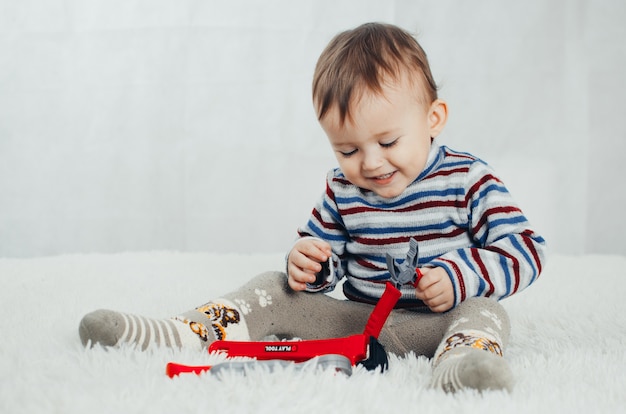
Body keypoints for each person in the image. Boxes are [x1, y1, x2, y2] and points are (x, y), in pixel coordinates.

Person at [79, 22, 546, 393]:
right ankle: (180, 332)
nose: (370, 163)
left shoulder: (468, 179)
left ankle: (460, 368)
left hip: (441, 324)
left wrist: (461, 276)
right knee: (274, 286)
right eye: (347, 150)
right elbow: (326, 258)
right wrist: (309, 265)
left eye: (388, 141)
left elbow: (527, 249)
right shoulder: (343, 188)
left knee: (486, 312)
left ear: (433, 119)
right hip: (359, 322)